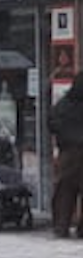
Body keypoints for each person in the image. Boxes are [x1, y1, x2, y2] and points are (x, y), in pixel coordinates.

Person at [49, 86, 83, 238]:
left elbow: (51, 123)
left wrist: (65, 135)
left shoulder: (63, 104)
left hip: (67, 153)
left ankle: (61, 227)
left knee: (64, 192)